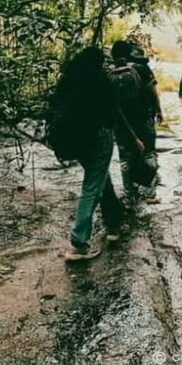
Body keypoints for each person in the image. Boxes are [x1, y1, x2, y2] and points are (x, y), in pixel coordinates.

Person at [52, 47, 142, 262]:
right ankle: (79, 243)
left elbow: (55, 108)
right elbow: (116, 113)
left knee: (100, 178)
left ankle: (114, 223)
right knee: (92, 186)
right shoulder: (101, 81)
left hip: (76, 138)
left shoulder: (68, 80)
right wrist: (133, 138)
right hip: (99, 137)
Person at [109, 40, 162, 205]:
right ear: (130, 52)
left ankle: (129, 194)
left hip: (122, 122)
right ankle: (149, 193)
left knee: (125, 157)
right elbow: (152, 92)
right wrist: (159, 110)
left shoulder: (110, 72)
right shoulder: (141, 68)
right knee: (148, 153)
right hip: (144, 117)